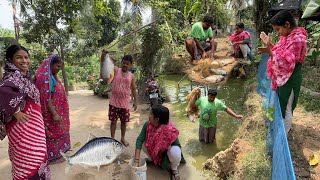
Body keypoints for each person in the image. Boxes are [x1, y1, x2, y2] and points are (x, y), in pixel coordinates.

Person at [0, 45, 51, 179]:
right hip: (22, 132)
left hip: (36, 130)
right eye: (19, 57)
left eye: (26, 57)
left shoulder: (26, 78)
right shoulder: (10, 79)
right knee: (28, 163)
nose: (24, 61)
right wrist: (15, 111)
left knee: (40, 158)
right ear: (10, 60)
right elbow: (2, 93)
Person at [258, 10, 307, 133]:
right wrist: (269, 45)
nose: (278, 33)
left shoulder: (298, 39)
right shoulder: (287, 37)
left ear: (287, 24)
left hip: (291, 77)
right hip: (283, 76)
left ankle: (284, 133)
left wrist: (270, 52)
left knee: (286, 107)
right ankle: (281, 128)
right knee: (282, 102)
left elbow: (287, 61)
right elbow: (280, 52)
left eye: (278, 29)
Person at [34, 55, 70, 164]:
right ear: (51, 64)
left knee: (58, 132)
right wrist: (54, 113)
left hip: (57, 111)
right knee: (51, 134)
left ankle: (57, 154)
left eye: (60, 67)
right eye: (57, 66)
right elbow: (46, 97)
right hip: (50, 113)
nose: (58, 69)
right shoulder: (46, 79)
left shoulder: (52, 77)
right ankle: (51, 158)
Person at [134, 105, 185, 180]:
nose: (149, 115)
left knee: (175, 152)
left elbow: (177, 145)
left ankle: (174, 168)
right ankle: (152, 159)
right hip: (154, 150)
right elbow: (139, 140)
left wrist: (164, 148)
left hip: (165, 153)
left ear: (157, 119)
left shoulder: (169, 130)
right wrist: (136, 161)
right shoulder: (147, 125)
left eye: (151, 114)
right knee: (143, 142)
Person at [100, 49, 137, 146]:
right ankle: (112, 139)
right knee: (113, 122)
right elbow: (104, 63)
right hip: (114, 102)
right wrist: (103, 55)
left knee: (124, 123)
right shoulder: (116, 70)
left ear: (131, 65)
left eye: (127, 64)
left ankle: (122, 138)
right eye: (124, 63)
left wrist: (135, 101)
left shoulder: (131, 76)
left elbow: (133, 89)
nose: (125, 65)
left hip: (125, 104)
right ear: (122, 63)